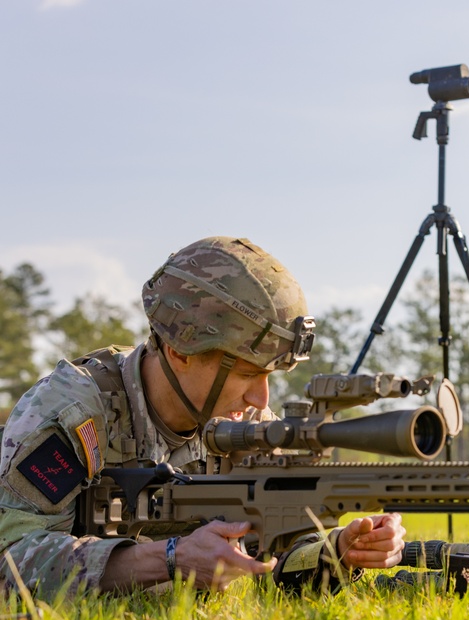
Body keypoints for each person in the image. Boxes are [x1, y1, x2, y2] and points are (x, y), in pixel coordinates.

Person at [0, 236, 406, 599]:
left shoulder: (250, 423)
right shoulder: (76, 412)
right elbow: (9, 558)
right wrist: (167, 560)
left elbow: (273, 563)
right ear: (181, 351)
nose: (260, 397)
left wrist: (336, 551)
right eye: (248, 373)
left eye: (269, 376)